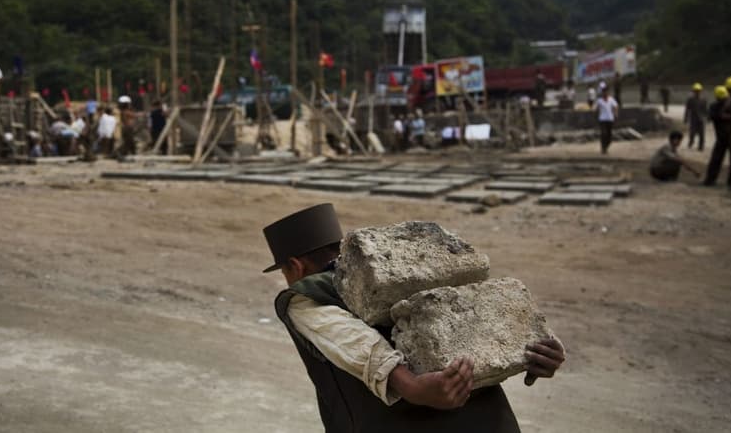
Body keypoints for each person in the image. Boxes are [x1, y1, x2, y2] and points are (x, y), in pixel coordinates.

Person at [263, 204, 564, 433]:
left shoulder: (302, 298)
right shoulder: (403, 267)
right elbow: (489, 314)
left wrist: (409, 386)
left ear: (295, 266)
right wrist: (538, 351)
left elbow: (353, 341)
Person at [704, 86, 731, 186]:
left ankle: (710, 180)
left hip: (723, 137)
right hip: (727, 137)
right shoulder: (729, 105)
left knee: (716, 159)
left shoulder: (714, 106)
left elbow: (710, 117)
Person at [683, 83, 708, 151]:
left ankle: (701, 145)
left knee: (701, 133)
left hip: (701, 119)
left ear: (700, 91)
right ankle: (691, 141)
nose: (697, 92)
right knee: (692, 132)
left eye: (698, 91)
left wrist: (707, 117)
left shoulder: (703, 99)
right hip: (693, 118)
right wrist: (685, 118)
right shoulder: (690, 100)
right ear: (693, 91)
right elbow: (687, 109)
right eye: (696, 91)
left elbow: (705, 109)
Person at [595, 82, 618, 154]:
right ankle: (603, 147)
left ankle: (606, 147)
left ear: (608, 92)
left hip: (610, 119)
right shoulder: (599, 100)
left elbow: (615, 107)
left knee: (609, 136)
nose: (605, 93)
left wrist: (615, 114)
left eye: (606, 91)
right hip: (602, 119)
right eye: (604, 91)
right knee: (603, 134)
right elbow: (597, 109)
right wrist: (597, 116)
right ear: (602, 92)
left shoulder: (611, 99)